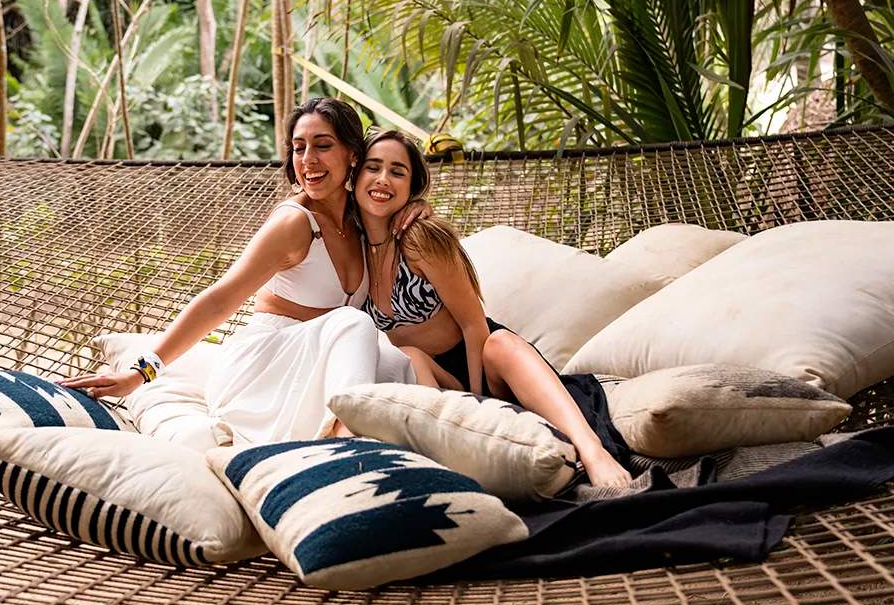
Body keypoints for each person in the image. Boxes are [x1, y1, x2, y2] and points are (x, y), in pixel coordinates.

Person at [63, 98, 430, 447]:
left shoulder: (361, 218)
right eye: (298, 148)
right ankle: (347, 439)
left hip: (318, 369)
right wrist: (140, 373)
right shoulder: (293, 223)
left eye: (322, 146)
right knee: (355, 323)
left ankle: (405, 433)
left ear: (352, 154)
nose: (308, 160)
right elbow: (219, 300)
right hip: (262, 371)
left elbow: (397, 206)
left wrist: (417, 208)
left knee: (396, 361)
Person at [352, 127, 633, 489]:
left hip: (480, 362)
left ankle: (593, 451)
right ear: (355, 176)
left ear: (412, 187)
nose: (383, 179)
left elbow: (474, 326)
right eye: (373, 167)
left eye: (397, 171)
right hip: (433, 380)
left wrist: (479, 400)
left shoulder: (420, 238)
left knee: (500, 344)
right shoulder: (349, 246)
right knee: (409, 355)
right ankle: (443, 466)